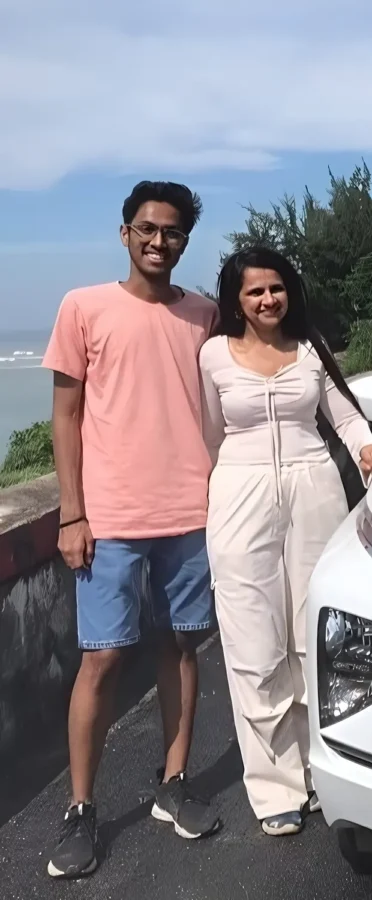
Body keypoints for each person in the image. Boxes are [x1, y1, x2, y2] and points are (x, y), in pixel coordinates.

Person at [42, 181, 223, 879]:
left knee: (180, 647)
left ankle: (172, 783)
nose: (159, 242)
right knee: (102, 660)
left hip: (190, 512)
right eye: (147, 229)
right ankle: (81, 809)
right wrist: (72, 511)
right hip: (111, 518)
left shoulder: (203, 314)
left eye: (172, 232)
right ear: (125, 234)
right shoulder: (84, 307)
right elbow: (65, 415)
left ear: (184, 241)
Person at [198, 246, 372, 836]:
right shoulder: (212, 357)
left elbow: (346, 415)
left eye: (276, 289)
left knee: (315, 633)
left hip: (315, 490)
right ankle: (275, 786)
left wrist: (368, 447)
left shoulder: (309, 349)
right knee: (253, 640)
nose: (268, 300)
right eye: (255, 292)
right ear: (236, 300)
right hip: (240, 493)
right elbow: (208, 433)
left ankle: (323, 769)